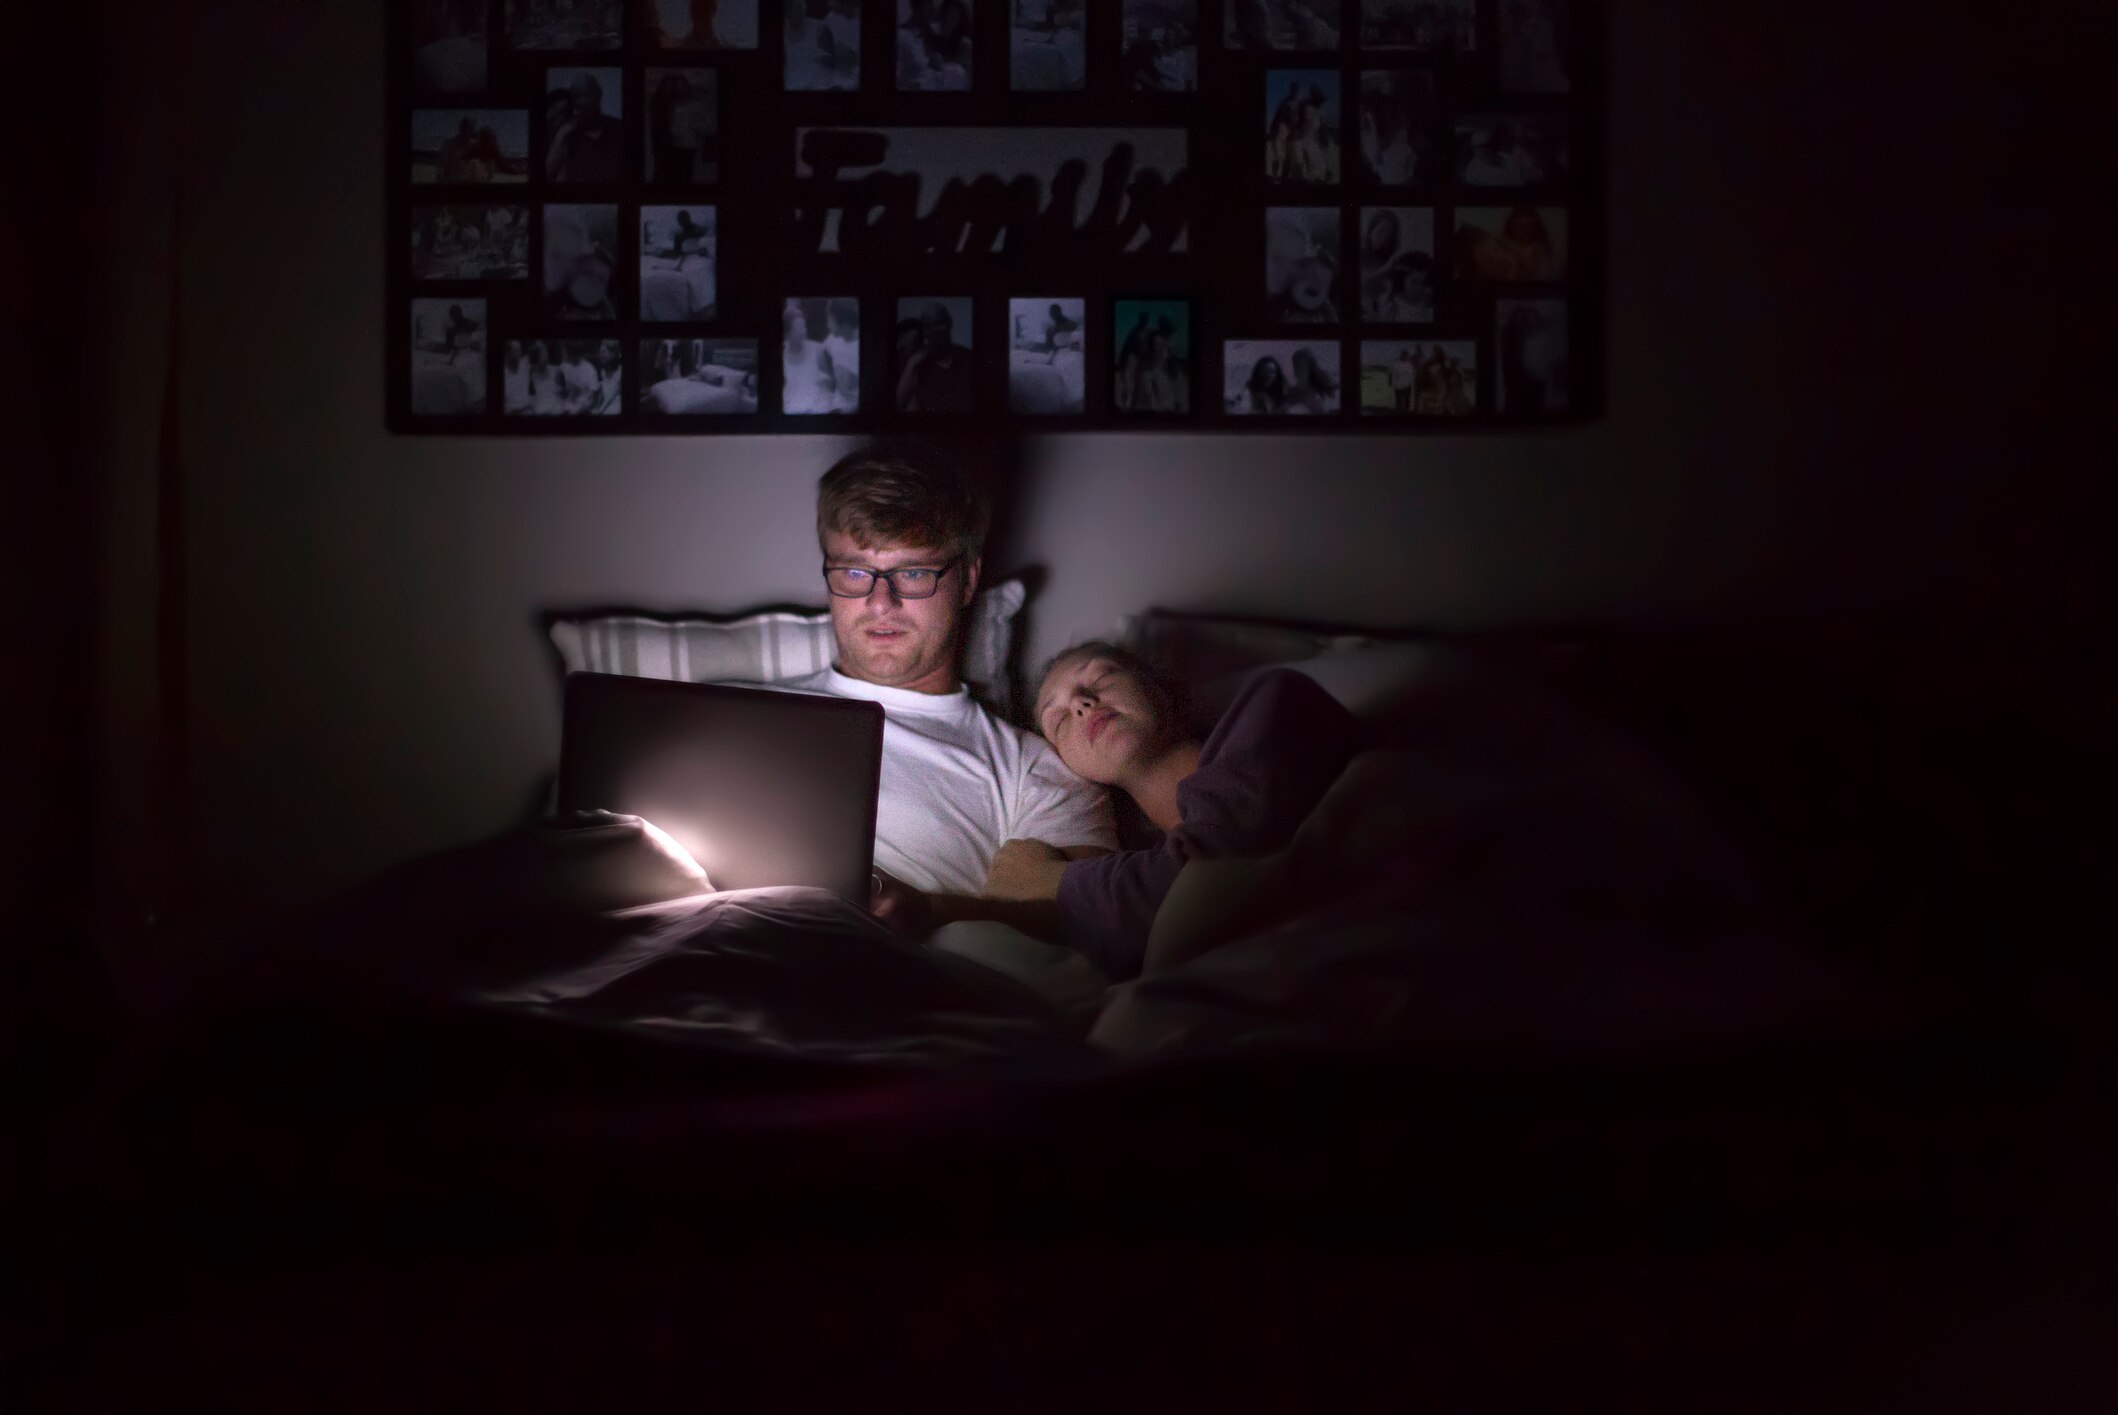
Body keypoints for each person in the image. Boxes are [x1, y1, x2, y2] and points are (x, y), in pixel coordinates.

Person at [755, 446, 1114, 927]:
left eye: (914, 573)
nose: (881, 603)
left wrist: (929, 910)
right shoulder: (728, 709)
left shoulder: (1033, 771)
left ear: (967, 581)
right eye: (855, 572)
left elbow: (1097, 923)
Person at [985, 643, 1357, 981]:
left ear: (1157, 685)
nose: (1081, 703)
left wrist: (1051, 880)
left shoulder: (1277, 705)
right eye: (1059, 721)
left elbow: (1208, 879)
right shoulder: (1135, 867)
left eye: (1101, 676)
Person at [546, 71, 623, 183]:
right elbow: (548, 174)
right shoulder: (567, 133)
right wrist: (560, 136)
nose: (576, 112)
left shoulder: (619, 129)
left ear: (597, 98)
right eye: (574, 106)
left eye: (582, 106)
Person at [894, 302, 973, 412]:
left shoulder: (967, 357)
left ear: (949, 323)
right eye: (929, 326)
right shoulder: (916, 361)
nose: (935, 331)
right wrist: (911, 366)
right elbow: (898, 403)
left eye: (939, 324)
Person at [782, 303, 837, 414]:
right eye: (798, 330)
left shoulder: (818, 349)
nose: (804, 332)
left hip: (819, 409)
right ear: (787, 335)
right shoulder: (782, 353)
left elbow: (831, 386)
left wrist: (827, 380)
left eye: (804, 327)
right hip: (793, 409)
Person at [823, 299, 861, 412]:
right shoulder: (831, 340)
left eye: (830, 320)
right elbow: (821, 354)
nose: (827, 325)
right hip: (836, 406)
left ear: (844, 323)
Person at [1390, 346, 1418, 412]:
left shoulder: (1409, 364)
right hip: (1397, 385)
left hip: (1407, 385)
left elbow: (1412, 375)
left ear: (1407, 356)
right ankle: (1399, 410)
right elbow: (1391, 372)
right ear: (1401, 355)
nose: (1404, 356)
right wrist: (1390, 380)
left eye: (1405, 355)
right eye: (1403, 354)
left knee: (1407, 400)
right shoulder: (1396, 363)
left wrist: (1411, 382)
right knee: (1398, 400)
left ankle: (1406, 410)